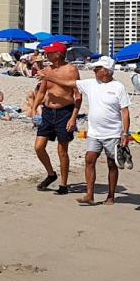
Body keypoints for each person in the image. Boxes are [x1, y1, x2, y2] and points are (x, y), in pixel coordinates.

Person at [39, 56, 132, 205]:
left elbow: (125, 112)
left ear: (107, 71)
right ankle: (89, 195)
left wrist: (125, 133)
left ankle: (111, 196)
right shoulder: (91, 84)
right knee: (89, 159)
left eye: (98, 68)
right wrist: (49, 76)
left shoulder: (118, 87)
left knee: (111, 164)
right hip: (94, 133)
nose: (94, 70)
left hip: (113, 133)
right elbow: (68, 82)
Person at [30, 42, 79, 194]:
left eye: (49, 52)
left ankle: (63, 185)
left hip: (65, 112)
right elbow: (42, 91)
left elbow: (78, 96)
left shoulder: (71, 70)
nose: (46, 55)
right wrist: (34, 108)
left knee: (62, 151)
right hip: (47, 112)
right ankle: (51, 174)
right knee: (39, 147)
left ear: (58, 54)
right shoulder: (47, 70)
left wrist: (73, 117)